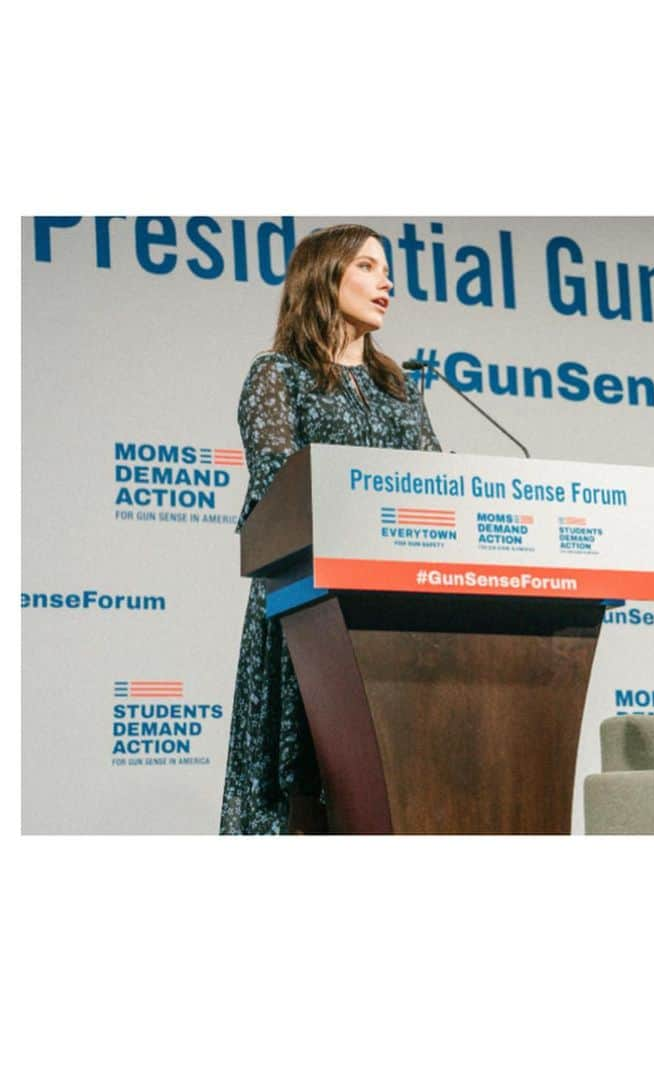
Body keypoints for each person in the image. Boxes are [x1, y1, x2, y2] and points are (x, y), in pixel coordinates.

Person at [220, 224, 441, 835]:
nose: (386, 281)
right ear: (325, 277)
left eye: (386, 269)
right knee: (310, 802)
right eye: (368, 266)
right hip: (307, 608)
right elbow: (277, 492)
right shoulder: (279, 376)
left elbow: (439, 492)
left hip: (398, 611)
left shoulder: (399, 388)